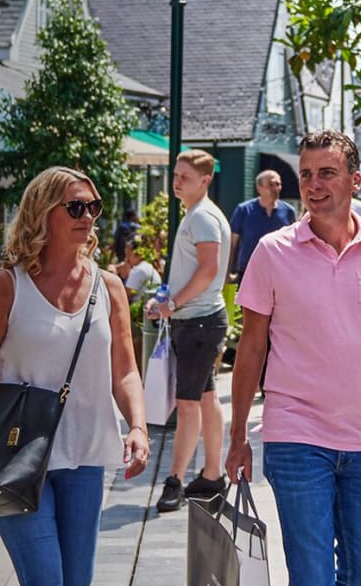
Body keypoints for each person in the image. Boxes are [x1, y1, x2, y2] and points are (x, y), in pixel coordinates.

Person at [226, 130, 361, 585]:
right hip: (295, 436)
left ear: (355, 181)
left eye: (326, 173)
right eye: (306, 175)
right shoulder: (273, 252)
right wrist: (237, 436)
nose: (313, 184)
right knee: (311, 577)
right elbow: (251, 347)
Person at [0, 166, 149, 586]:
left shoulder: (108, 287)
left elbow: (124, 369)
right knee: (45, 580)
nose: (87, 216)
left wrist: (139, 427)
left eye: (93, 206)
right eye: (74, 206)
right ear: (42, 212)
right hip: (13, 452)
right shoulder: (6, 287)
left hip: (86, 454)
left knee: (77, 581)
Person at [143, 149, 232, 513]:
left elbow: (209, 271)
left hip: (198, 321)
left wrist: (173, 304)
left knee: (188, 404)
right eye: (176, 175)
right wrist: (167, 300)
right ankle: (212, 474)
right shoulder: (199, 216)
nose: (176, 181)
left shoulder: (203, 218)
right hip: (197, 319)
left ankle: (175, 480)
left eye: (185, 177)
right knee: (206, 399)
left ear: (205, 180)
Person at [228, 169, 296, 284]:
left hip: (279, 273)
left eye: (278, 184)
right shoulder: (244, 210)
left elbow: (294, 243)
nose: (275, 188)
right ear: (259, 188)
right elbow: (232, 244)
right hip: (247, 273)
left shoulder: (288, 211)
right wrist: (228, 272)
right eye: (270, 185)